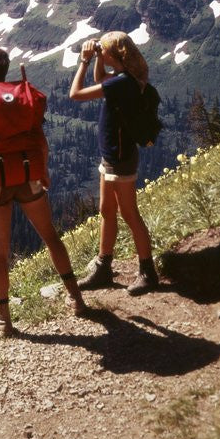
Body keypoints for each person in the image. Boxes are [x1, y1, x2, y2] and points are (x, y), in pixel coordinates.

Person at [0, 47, 87, 336]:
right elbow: (40, 140)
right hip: (27, 170)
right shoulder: (22, 96)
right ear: (6, 69)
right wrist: (43, 170)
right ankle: (76, 298)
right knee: (50, 236)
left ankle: (5, 321)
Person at [69, 31, 159, 295]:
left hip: (120, 159)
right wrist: (98, 57)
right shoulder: (124, 79)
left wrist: (84, 61)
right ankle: (103, 267)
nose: (100, 51)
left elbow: (76, 94)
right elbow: (100, 80)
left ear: (115, 54)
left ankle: (148, 272)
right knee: (107, 211)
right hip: (111, 156)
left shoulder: (122, 83)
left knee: (130, 214)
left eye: (103, 49)